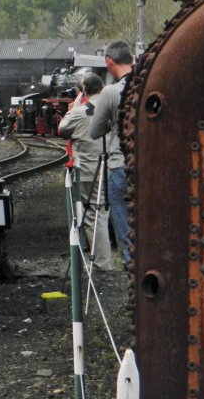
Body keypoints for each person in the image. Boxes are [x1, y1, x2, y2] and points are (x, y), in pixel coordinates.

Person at [58, 72, 119, 271]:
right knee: (108, 213)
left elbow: (62, 130)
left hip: (88, 171)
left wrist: (74, 107)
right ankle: (114, 258)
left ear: (84, 91)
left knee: (94, 215)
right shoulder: (114, 107)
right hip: (113, 167)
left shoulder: (81, 112)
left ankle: (101, 263)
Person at [87, 39, 135, 267]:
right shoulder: (151, 84)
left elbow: (94, 131)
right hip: (152, 165)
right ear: (132, 59)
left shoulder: (110, 92)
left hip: (121, 164)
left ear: (108, 61)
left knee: (126, 228)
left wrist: (113, 123)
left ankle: (132, 271)